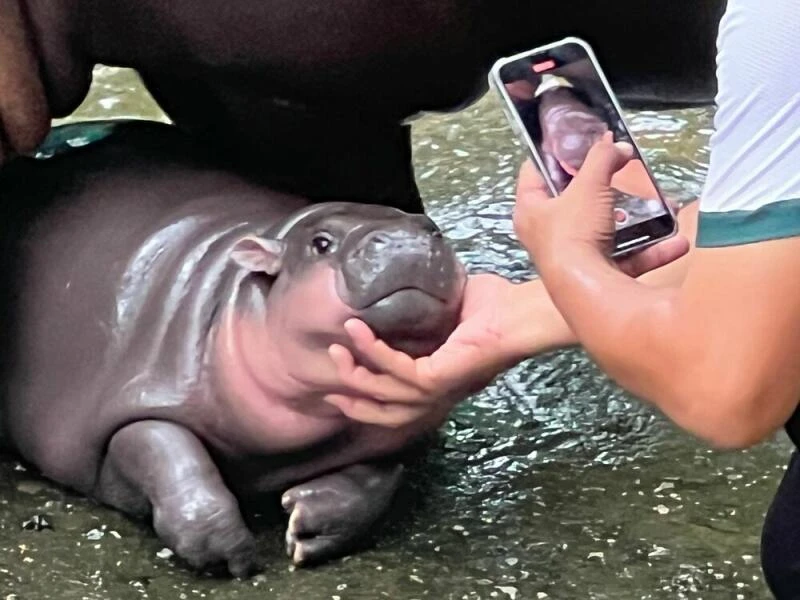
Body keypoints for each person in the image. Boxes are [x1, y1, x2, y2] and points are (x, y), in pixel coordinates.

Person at [323, 1, 800, 596]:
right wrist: (517, 319)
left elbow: (725, 390)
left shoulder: (779, 26)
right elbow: (774, 263)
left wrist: (566, 256)